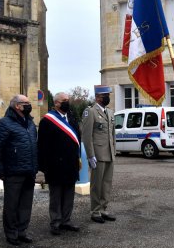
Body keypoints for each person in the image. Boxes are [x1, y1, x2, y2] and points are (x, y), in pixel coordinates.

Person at [0, 94, 38, 246]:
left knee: (25, 203)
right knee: (11, 205)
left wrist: (36, 166)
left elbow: (34, 146)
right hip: (13, 171)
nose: (29, 105)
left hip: (29, 170)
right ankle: (11, 233)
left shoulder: (30, 123)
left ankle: (22, 230)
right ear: (17, 105)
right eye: (26, 103)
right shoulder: (5, 123)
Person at [38, 92, 81, 235]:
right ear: (56, 103)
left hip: (70, 163)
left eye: (68, 100)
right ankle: (55, 222)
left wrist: (78, 158)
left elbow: (77, 140)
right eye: (64, 100)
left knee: (69, 194)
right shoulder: (47, 120)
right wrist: (43, 167)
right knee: (56, 196)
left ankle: (66, 220)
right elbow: (42, 146)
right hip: (55, 165)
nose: (67, 103)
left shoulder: (72, 118)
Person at [81, 85, 116, 224]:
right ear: (97, 97)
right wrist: (90, 155)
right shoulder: (90, 112)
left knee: (107, 183)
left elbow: (113, 135)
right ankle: (95, 211)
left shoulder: (110, 112)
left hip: (109, 153)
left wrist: (114, 151)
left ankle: (103, 209)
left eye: (108, 95)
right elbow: (87, 135)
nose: (107, 98)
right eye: (104, 96)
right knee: (97, 184)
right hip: (98, 154)